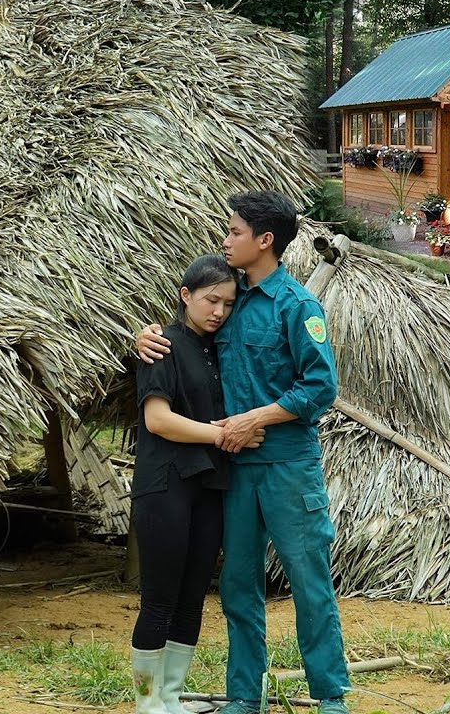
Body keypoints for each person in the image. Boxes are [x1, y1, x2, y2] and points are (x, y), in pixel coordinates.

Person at [136, 192, 350, 714]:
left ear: (264, 240)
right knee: (238, 588)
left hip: (288, 466)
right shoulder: (227, 305)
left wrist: (257, 417)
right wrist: (141, 337)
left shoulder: (299, 307)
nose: (226, 240)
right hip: (232, 471)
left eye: (234, 232)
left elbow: (320, 387)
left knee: (308, 581)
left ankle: (329, 695)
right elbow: (185, 337)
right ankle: (242, 697)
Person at [129, 253, 265, 714]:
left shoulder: (221, 348)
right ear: (185, 295)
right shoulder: (162, 344)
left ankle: (170, 698)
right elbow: (159, 420)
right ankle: (147, 704)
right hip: (165, 483)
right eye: (210, 300)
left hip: (210, 485)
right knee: (160, 598)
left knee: (191, 599)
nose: (218, 312)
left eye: (227, 304)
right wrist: (224, 433)